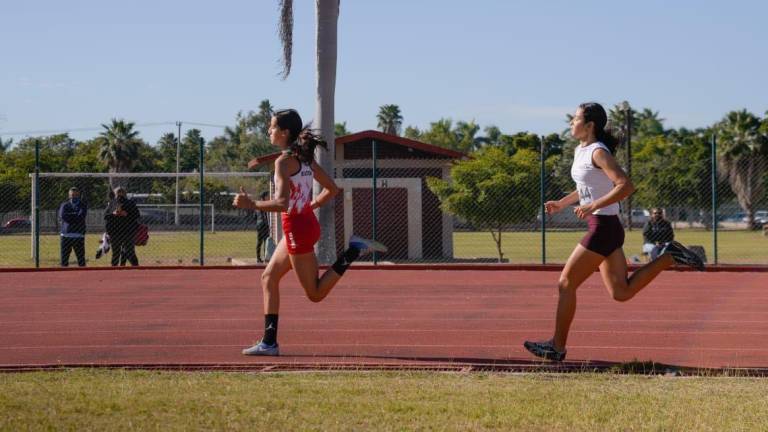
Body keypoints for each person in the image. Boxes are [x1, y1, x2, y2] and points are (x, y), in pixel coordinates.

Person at [523, 102, 704, 362]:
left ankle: (557, 347)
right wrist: (562, 203)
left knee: (565, 283)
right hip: (606, 228)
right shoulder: (581, 150)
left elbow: (625, 186)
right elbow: (586, 188)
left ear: (589, 125)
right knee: (621, 292)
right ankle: (669, 256)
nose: (571, 123)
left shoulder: (598, 152)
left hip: (603, 228)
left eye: (575, 119)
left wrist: (593, 206)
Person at [233, 108, 386, 356]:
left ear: (284, 133)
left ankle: (352, 250)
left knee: (315, 294)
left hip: (296, 230)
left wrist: (252, 204)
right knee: (268, 278)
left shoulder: (283, 162)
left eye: (271, 127)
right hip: (304, 224)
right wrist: (311, 205)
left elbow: (282, 203)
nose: (268, 131)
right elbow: (332, 189)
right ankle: (269, 342)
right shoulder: (304, 157)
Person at [104, 186, 140, 266]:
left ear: (125, 194)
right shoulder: (112, 203)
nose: (120, 196)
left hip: (128, 231)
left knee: (130, 252)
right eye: (118, 193)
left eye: (122, 193)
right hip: (115, 232)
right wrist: (113, 214)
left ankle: (136, 268)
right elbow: (105, 216)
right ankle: (114, 271)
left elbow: (137, 215)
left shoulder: (130, 203)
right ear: (115, 194)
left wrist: (127, 214)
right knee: (116, 253)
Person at [58, 187, 88, 267]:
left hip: (78, 235)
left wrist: (70, 216)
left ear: (78, 195)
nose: (73, 197)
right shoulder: (64, 205)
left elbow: (81, 216)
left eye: (75, 195)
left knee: (81, 260)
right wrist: (75, 215)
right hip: (65, 235)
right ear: (69, 196)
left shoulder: (83, 205)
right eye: (72, 195)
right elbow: (62, 216)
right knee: (64, 260)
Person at [255, 191, 271, 263]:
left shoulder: (257, 204)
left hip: (258, 224)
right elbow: (265, 215)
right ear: (264, 197)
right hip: (264, 224)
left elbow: (254, 216)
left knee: (259, 241)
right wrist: (267, 224)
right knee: (266, 241)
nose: (268, 197)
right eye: (267, 196)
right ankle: (265, 257)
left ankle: (258, 258)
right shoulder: (264, 204)